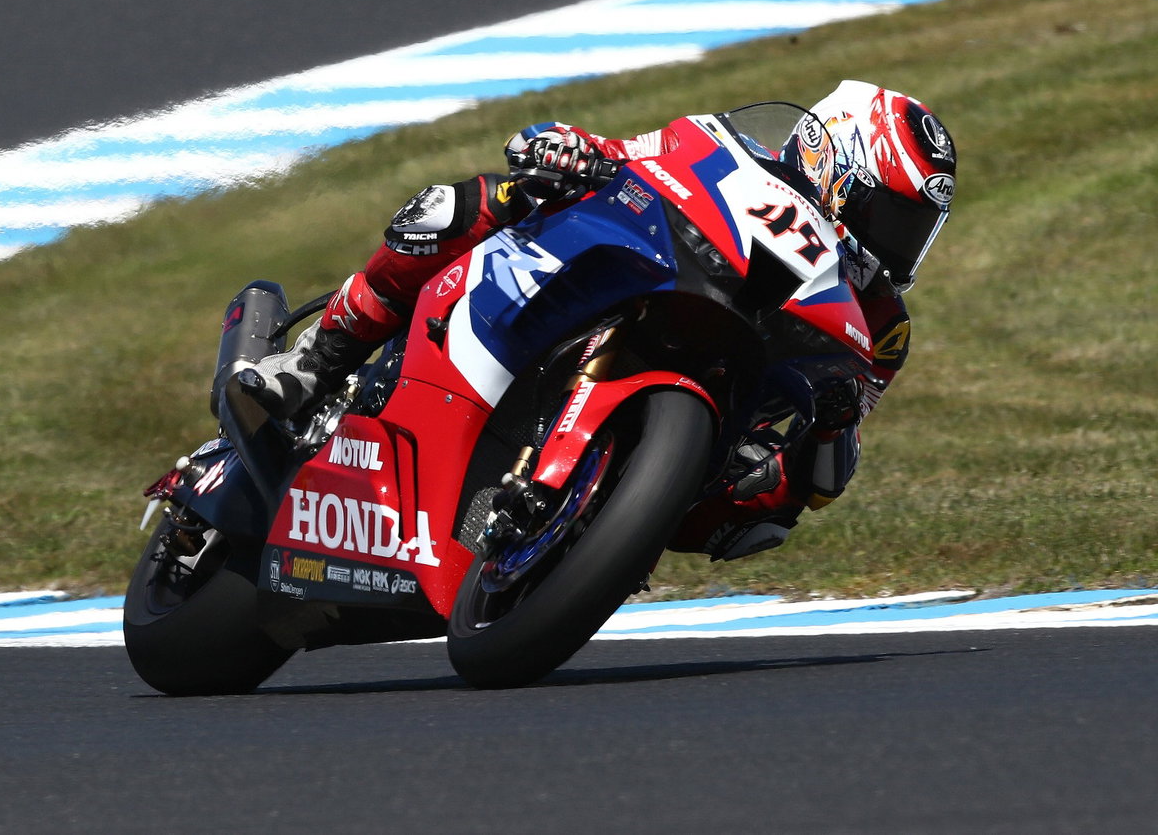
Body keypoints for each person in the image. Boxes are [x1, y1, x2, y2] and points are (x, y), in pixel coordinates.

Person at [241, 80, 957, 562]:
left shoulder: (880, 325)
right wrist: (565, 149)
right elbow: (619, 155)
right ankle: (314, 362)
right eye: (889, 213)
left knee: (769, 509)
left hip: (718, 410)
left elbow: (828, 481)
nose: (896, 240)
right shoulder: (721, 146)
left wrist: (829, 423)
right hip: (634, 285)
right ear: (834, 156)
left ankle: (598, 533)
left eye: (913, 226)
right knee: (475, 203)